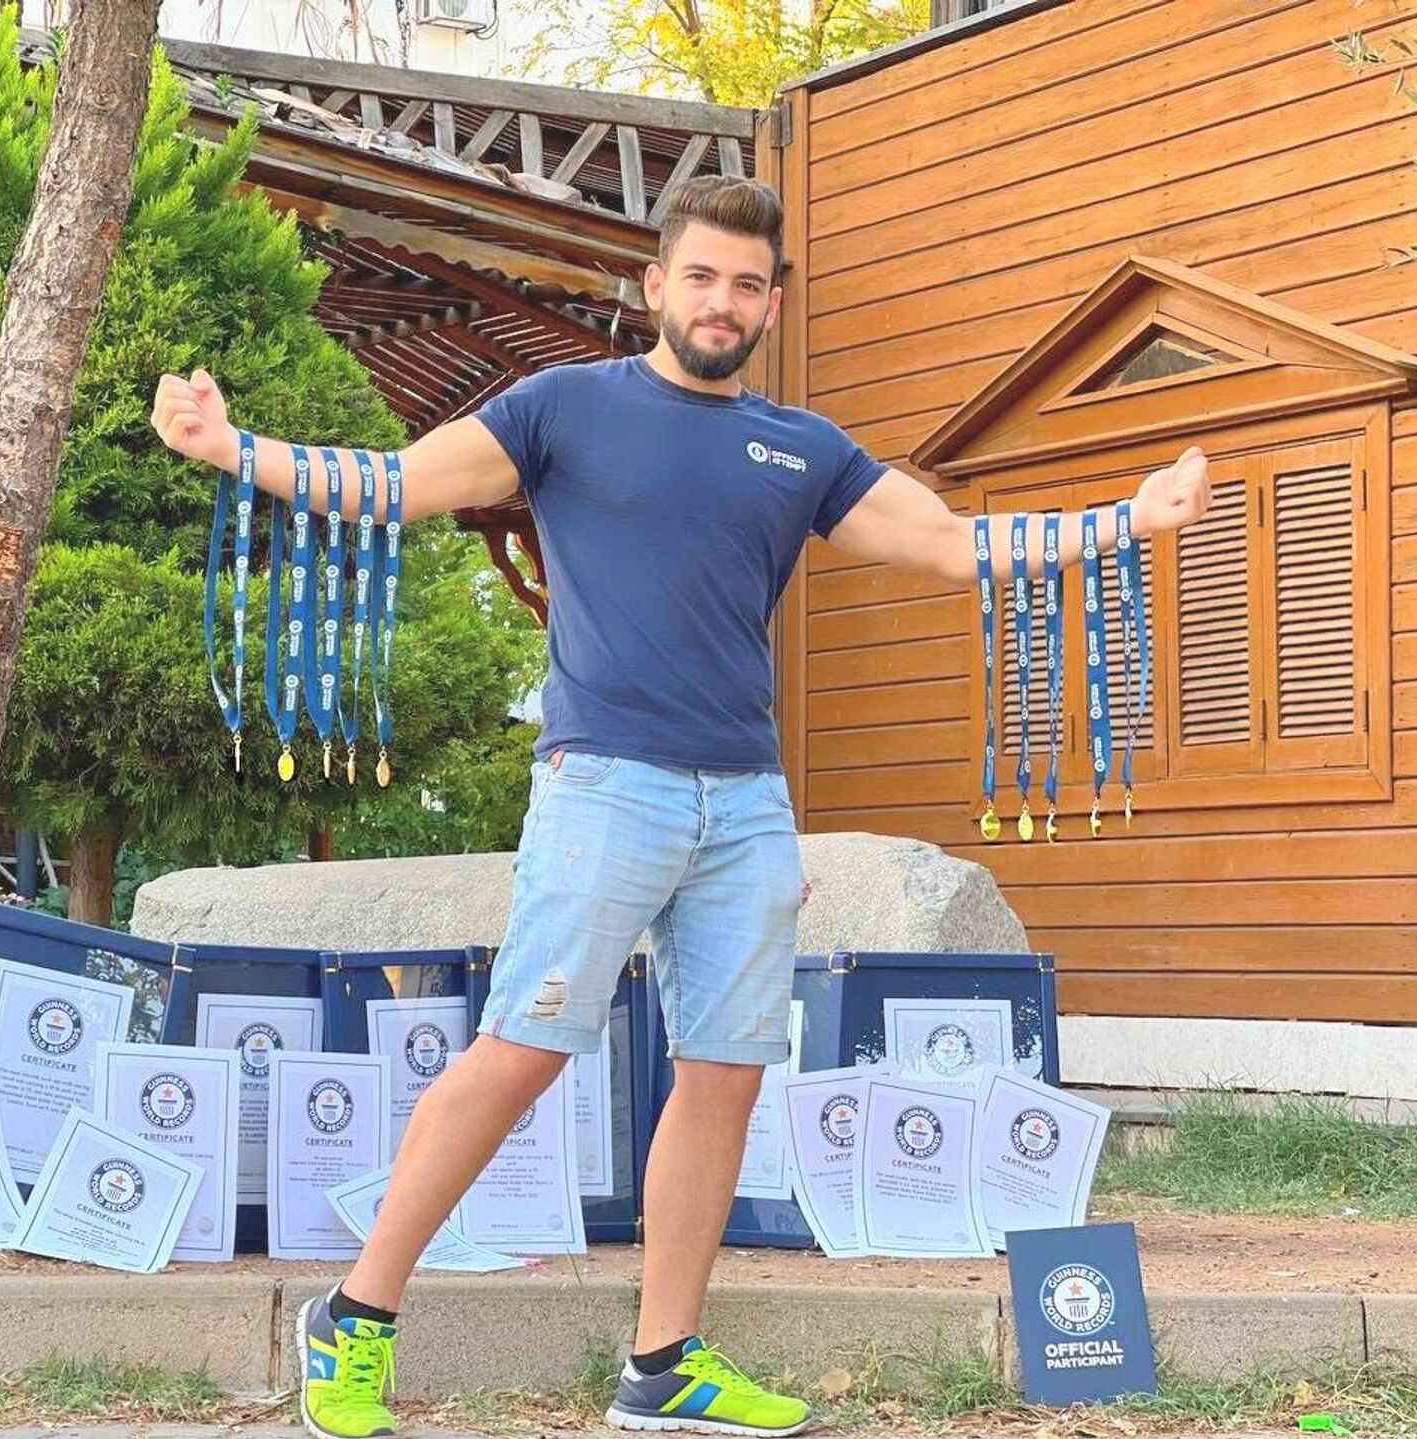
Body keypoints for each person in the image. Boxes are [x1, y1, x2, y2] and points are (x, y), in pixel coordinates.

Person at [153, 175, 1210, 1439]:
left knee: (722, 1073)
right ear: (656, 285)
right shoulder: (564, 408)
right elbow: (394, 483)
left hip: (748, 801)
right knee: (521, 1049)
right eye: (702, 276)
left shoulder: (801, 448)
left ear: (772, 305)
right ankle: (356, 1313)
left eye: (747, 284)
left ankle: (661, 1363)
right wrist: (233, 450)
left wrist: (1125, 521)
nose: (722, 301)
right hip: (605, 784)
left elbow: (944, 542)